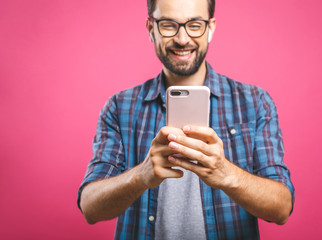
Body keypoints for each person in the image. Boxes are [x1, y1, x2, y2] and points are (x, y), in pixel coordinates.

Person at [77, 0, 295, 239]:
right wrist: (141, 175)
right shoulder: (120, 107)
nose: (182, 39)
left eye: (194, 24)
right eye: (169, 25)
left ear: (210, 28)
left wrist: (227, 174)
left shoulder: (254, 103)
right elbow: (90, 207)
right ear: (151, 29)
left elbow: (282, 208)